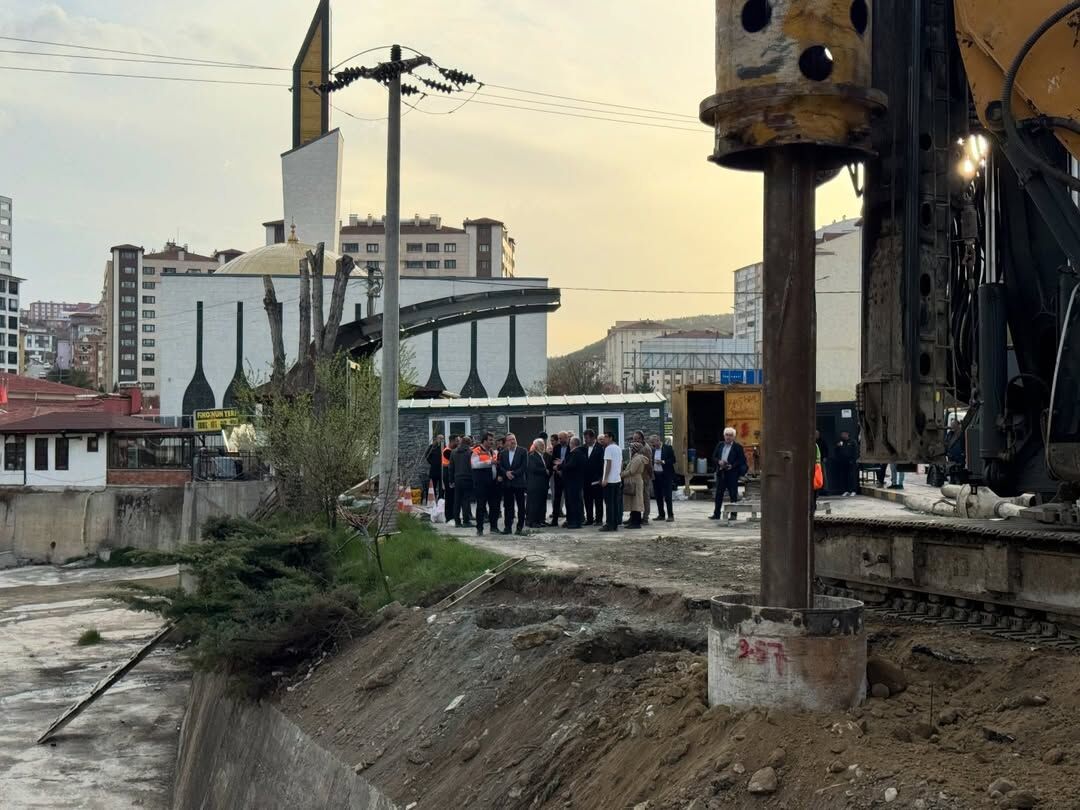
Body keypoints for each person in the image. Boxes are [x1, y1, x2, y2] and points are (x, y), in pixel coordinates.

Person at [710, 427, 747, 520]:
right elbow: (714, 457)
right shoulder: (720, 445)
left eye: (730, 435)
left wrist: (732, 466)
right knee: (719, 494)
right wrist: (719, 461)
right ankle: (716, 514)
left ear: (734, 437)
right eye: (726, 435)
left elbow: (741, 460)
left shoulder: (737, 447)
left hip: (732, 474)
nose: (728, 437)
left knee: (733, 494)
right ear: (724, 436)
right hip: (721, 472)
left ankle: (733, 515)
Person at [497, 433, 527, 535]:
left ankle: (519, 528)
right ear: (506, 442)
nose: (512, 441)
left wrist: (513, 474)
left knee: (521, 506)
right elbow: (500, 466)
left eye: (513, 439)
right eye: (510, 440)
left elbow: (524, 467)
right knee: (508, 506)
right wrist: (506, 473)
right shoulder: (503, 453)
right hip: (507, 484)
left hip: (519, 483)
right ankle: (507, 527)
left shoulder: (523, 451)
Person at [621, 440, 649, 529]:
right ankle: (633, 521)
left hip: (635, 481)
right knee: (633, 502)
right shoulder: (635, 457)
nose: (630, 450)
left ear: (635, 450)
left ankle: (636, 523)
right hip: (634, 481)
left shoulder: (638, 459)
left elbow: (632, 471)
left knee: (636, 502)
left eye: (631, 448)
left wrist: (622, 474)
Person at [561, 436, 587, 529]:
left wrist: (560, 466)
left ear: (572, 444)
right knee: (574, 502)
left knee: (573, 502)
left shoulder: (576, 453)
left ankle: (575, 522)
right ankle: (573, 520)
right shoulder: (580, 452)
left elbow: (570, 465)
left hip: (573, 482)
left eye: (570, 442)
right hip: (575, 481)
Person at [599, 432, 623, 532]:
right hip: (617, 479)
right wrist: (619, 474)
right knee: (615, 503)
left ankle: (609, 524)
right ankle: (615, 524)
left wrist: (605, 478)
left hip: (610, 480)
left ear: (611, 438)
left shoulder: (608, 448)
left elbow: (608, 464)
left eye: (606, 437)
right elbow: (621, 463)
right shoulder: (618, 448)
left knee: (609, 504)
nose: (604, 439)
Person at [449, 436, 474, 526]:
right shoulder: (470, 452)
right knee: (466, 500)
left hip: (457, 479)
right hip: (468, 478)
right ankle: (466, 521)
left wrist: (451, 480)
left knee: (457, 500)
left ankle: (457, 521)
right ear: (469, 443)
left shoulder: (453, 452)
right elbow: (473, 466)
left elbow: (451, 468)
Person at [650, 434, 676, 521]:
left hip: (666, 476)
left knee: (668, 496)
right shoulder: (652, 450)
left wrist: (663, 462)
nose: (652, 444)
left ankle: (670, 515)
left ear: (658, 440)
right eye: (651, 443)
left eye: (653, 442)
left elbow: (673, 460)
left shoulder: (668, 448)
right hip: (656, 475)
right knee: (658, 496)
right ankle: (661, 515)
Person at [582, 429, 605, 526]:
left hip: (596, 478)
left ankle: (599, 519)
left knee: (598, 500)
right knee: (587, 499)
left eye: (586, 438)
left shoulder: (600, 448)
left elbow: (602, 464)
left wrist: (601, 477)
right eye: (584, 438)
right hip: (586, 479)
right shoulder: (583, 447)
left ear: (593, 438)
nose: (585, 440)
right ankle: (589, 519)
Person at [526, 438, 550, 528]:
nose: (543, 446)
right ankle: (533, 521)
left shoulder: (542, 455)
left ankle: (541, 520)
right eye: (541, 445)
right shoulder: (532, 456)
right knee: (534, 504)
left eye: (543, 445)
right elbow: (532, 468)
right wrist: (544, 470)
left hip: (542, 484)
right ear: (536, 446)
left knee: (541, 503)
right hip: (535, 484)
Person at [632, 430, 654, 524]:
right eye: (634, 439)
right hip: (636, 476)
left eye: (637, 439)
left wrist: (650, 475)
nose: (635, 441)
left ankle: (645, 517)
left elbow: (649, 464)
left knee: (645, 497)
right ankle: (634, 517)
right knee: (636, 497)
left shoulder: (646, 449)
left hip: (644, 476)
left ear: (641, 439)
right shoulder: (636, 447)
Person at [549, 432, 569, 525]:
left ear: (566, 438)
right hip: (558, 476)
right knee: (557, 498)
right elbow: (553, 460)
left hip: (567, 476)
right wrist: (557, 469)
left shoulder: (570, 447)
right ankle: (554, 520)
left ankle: (569, 519)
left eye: (561, 438)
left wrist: (561, 464)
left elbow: (569, 461)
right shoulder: (556, 447)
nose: (560, 440)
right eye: (559, 438)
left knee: (568, 498)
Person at [835, 431, 859, 496]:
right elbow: (837, 451)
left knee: (852, 476)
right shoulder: (841, 442)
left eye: (843, 434)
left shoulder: (852, 442)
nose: (842, 435)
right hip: (843, 462)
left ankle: (853, 490)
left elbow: (856, 452)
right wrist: (838, 446)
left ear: (847, 434)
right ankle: (846, 490)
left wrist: (854, 460)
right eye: (841, 434)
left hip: (851, 462)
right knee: (844, 476)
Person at [442, 436, 457, 523]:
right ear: (452, 441)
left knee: (453, 496)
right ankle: (449, 516)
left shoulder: (451, 450)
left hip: (450, 473)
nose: (458, 443)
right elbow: (454, 461)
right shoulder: (447, 451)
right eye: (456, 441)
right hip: (447, 474)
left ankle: (452, 515)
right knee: (449, 496)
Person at [425, 434, 444, 504]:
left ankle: (441, 499)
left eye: (442, 439)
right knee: (433, 485)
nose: (441, 440)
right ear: (436, 439)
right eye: (440, 438)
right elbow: (427, 456)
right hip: (434, 469)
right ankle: (433, 498)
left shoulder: (444, 447)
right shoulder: (432, 447)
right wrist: (432, 462)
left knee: (441, 486)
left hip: (442, 470)